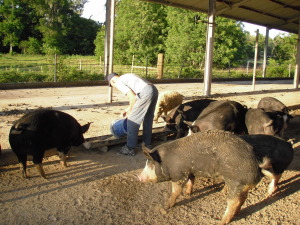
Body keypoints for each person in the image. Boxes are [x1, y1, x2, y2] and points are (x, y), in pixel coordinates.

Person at [106, 73, 159, 156]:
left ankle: (129, 148)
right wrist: (128, 109)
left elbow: (132, 97)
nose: (115, 87)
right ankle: (147, 144)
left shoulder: (118, 82)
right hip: (153, 90)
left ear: (112, 81)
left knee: (132, 121)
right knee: (147, 119)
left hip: (145, 92)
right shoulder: (127, 76)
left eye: (112, 85)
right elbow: (137, 98)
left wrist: (130, 112)